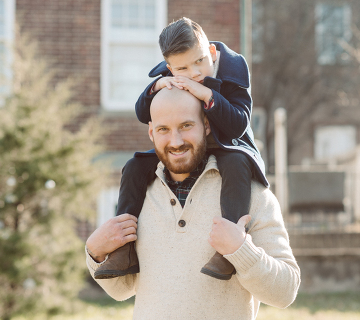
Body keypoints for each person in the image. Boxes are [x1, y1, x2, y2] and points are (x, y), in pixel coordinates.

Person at [85, 88, 300, 319]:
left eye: (186, 126)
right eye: (163, 129)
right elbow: (122, 289)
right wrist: (94, 252)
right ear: (151, 132)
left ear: (206, 125)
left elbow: (285, 292)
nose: (175, 141)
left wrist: (241, 251)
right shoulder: (139, 195)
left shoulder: (250, 193)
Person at [94, 17, 268, 281]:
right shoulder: (169, 76)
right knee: (134, 166)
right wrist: (156, 87)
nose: (195, 71)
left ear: (210, 51)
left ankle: (228, 249)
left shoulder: (233, 70)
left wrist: (206, 94)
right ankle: (125, 247)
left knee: (236, 164)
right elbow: (143, 113)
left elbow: (238, 125)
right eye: (183, 68)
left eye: (200, 61)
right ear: (170, 68)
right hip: (185, 145)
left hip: (227, 144)